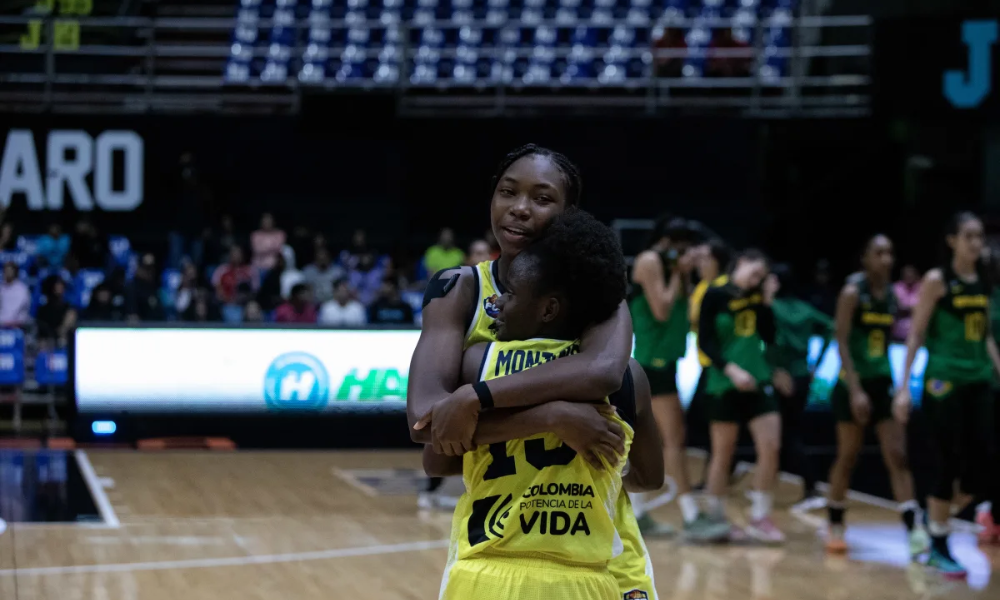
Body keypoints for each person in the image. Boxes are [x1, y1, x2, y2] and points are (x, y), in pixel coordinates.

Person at [406, 144, 658, 600]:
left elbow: (602, 371)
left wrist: (475, 399)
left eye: (541, 198)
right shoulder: (458, 288)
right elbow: (426, 420)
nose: (519, 209)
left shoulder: (597, 288)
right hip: (500, 537)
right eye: (508, 192)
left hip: (604, 545)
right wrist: (552, 417)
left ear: (569, 213)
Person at [894, 212, 1000, 578]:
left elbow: (985, 334)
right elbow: (916, 334)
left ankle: (936, 524)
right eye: (969, 236)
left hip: (979, 380)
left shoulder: (984, 279)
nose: (976, 242)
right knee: (947, 462)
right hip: (944, 382)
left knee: (984, 466)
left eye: (980, 236)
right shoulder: (938, 280)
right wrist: (903, 388)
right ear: (952, 240)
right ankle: (939, 542)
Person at [826, 235, 927, 556]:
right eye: (879, 253)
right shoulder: (852, 292)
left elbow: (885, 342)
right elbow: (840, 340)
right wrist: (855, 389)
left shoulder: (893, 297)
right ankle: (836, 521)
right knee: (849, 454)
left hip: (881, 380)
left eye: (890, 252)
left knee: (897, 454)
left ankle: (913, 528)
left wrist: (899, 388)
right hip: (851, 385)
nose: (886, 259)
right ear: (865, 258)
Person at [629, 215, 714, 538]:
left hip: (668, 360)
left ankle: (638, 513)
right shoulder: (650, 261)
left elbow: (687, 307)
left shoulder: (673, 264)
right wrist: (679, 273)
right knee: (675, 439)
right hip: (653, 361)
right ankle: (691, 515)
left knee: (656, 440)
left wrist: (689, 275)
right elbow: (662, 308)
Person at [698, 248, 788, 543]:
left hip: (758, 380)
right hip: (724, 383)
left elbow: (770, 335)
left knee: (771, 447)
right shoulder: (715, 295)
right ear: (743, 262)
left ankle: (760, 516)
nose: (756, 280)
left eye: (761, 277)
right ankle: (716, 517)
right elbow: (706, 342)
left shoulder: (757, 296)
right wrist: (732, 370)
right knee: (724, 453)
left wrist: (767, 300)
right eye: (755, 273)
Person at [767, 263, 829, 503]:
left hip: (782, 375)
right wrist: (817, 362)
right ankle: (780, 483)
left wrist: (775, 368)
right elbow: (830, 327)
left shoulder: (772, 307)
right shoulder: (805, 309)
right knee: (790, 431)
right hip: (803, 374)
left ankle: (811, 485)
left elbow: (774, 341)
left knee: (784, 433)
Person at [36, 275, 76, 347]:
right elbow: (42, 332)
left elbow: (67, 329)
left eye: (61, 285)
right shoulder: (42, 310)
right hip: (47, 342)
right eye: (57, 285)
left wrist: (62, 330)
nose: (60, 288)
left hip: (63, 340)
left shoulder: (68, 309)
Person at [893, 264, 921, 342]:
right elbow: (896, 307)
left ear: (916, 275)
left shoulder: (921, 288)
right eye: (907, 274)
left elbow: (922, 309)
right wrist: (913, 309)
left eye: (911, 274)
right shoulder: (896, 287)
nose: (909, 276)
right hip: (897, 333)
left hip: (916, 334)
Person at [0, 262, 30, 327]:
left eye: (10, 271)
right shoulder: (1, 287)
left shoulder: (22, 289)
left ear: (15, 272)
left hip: (17, 325)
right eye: (6, 271)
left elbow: (20, 309)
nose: (7, 273)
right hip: (2, 324)